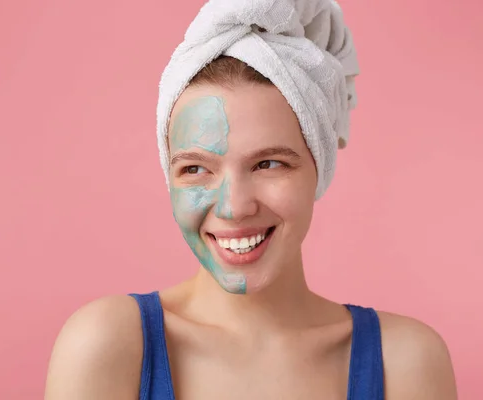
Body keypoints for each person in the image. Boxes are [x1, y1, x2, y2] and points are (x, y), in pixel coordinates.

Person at [44, 0, 457, 399]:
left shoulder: (403, 362)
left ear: (320, 167)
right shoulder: (106, 346)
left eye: (269, 164)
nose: (234, 207)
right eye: (195, 169)